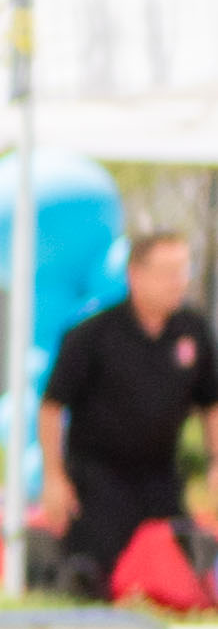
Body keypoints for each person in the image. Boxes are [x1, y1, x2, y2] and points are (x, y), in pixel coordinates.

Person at [32, 228, 217, 598]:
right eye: (167, 272)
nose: (178, 282)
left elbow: (211, 404)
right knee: (90, 576)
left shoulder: (192, 331)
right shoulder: (92, 335)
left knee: (185, 564)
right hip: (99, 479)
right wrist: (53, 477)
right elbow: (51, 408)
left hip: (161, 476)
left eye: (182, 271)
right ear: (136, 275)